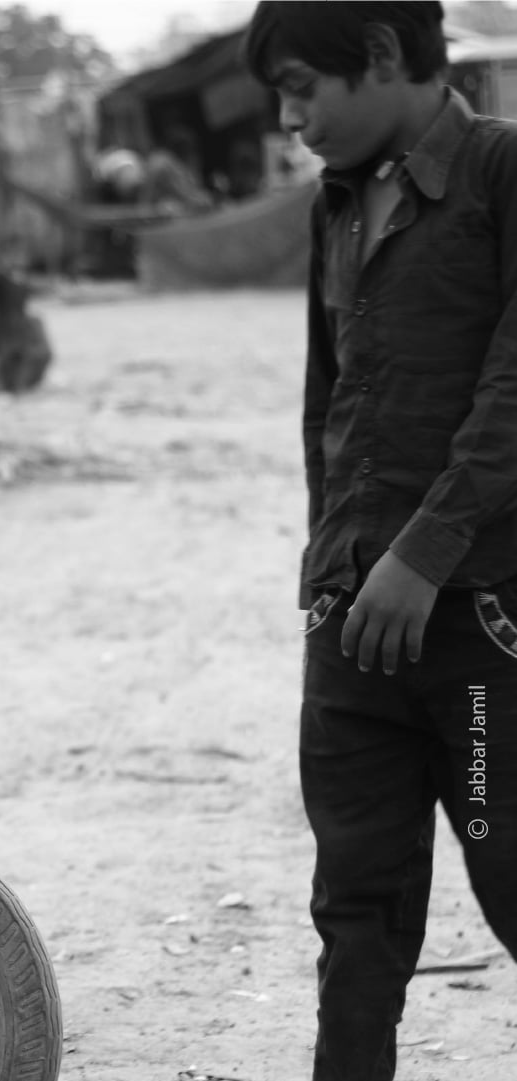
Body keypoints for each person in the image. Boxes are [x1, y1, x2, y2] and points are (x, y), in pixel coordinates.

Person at [243, 4, 517, 1078]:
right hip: (352, 626)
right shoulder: (336, 203)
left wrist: (422, 555)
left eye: (305, 85)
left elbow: (510, 393)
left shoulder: (500, 175)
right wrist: (332, 566)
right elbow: (330, 402)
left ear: (389, 57)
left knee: (510, 878)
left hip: (481, 622)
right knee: (354, 915)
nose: (290, 115)